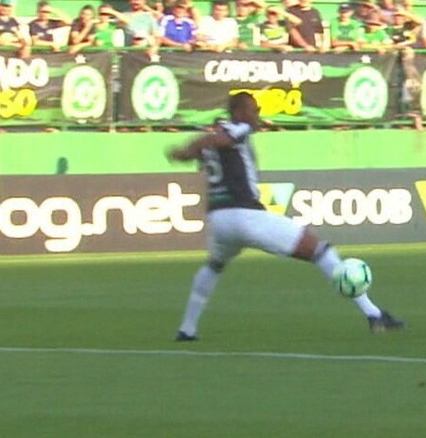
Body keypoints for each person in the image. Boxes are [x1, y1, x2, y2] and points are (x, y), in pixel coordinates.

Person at [168, 92, 404, 341]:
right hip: (246, 216)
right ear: (238, 112)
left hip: (219, 220)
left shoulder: (212, 141)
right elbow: (223, 139)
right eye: (253, 110)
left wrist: (185, 150)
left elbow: (198, 153)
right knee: (320, 251)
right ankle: (374, 315)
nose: (257, 115)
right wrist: (203, 141)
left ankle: (187, 328)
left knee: (214, 266)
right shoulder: (234, 128)